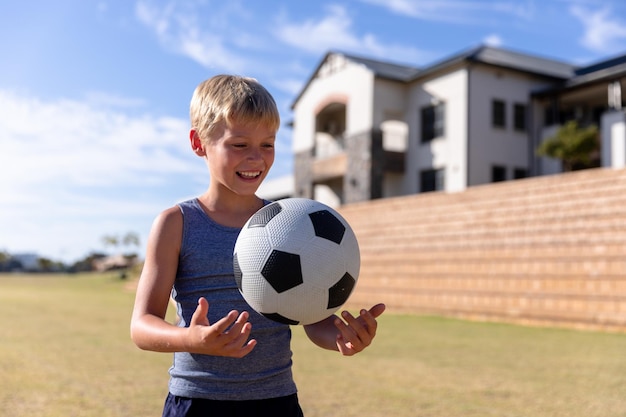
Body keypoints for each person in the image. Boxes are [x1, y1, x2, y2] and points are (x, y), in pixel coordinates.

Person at [130, 74, 386, 417]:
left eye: (268, 144)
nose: (257, 158)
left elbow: (312, 320)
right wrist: (192, 339)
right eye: (239, 144)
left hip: (276, 401)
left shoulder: (292, 221)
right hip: (197, 401)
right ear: (198, 142)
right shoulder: (176, 224)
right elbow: (142, 325)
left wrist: (342, 338)